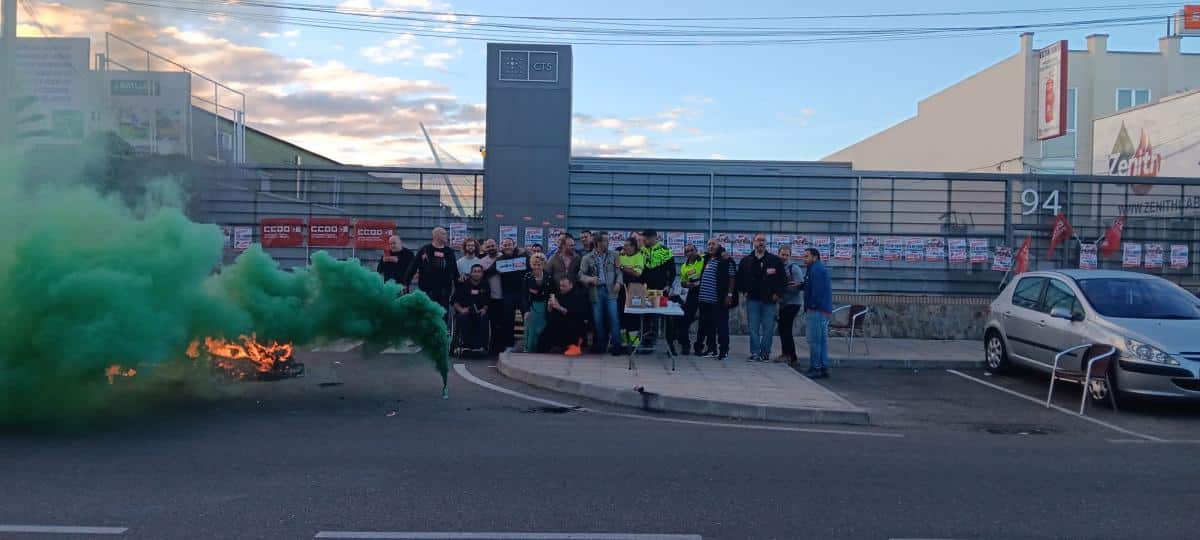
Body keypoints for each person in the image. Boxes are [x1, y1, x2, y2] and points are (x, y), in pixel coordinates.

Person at [736, 233, 787, 362]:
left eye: (763, 240)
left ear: (766, 243)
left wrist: (778, 294)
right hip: (752, 300)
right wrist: (743, 291)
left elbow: (783, 280)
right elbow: (739, 278)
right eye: (758, 240)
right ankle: (754, 353)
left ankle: (765, 353)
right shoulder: (746, 260)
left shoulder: (774, 260)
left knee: (768, 329)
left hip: (769, 301)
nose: (761, 242)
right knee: (753, 329)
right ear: (753, 242)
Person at [580, 232, 624, 355]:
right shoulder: (587, 258)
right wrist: (589, 279)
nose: (608, 242)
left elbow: (619, 272)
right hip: (596, 291)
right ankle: (601, 345)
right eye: (605, 240)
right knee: (598, 320)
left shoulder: (614, 255)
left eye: (608, 240)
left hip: (611, 291)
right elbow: (580, 275)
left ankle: (616, 346)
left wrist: (618, 283)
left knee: (614, 318)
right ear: (598, 242)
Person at [404, 227, 459, 318]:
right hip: (427, 290)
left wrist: (457, 291)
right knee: (427, 316)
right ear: (436, 236)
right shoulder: (425, 250)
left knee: (442, 316)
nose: (447, 236)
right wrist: (406, 283)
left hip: (444, 292)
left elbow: (455, 271)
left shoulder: (449, 252)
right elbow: (412, 267)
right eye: (444, 234)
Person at [486, 238, 528, 354]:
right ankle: (509, 345)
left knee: (527, 318)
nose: (508, 247)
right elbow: (488, 272)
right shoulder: (500, 260)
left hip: (522, 293)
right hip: (508, 294)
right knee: (508, 320)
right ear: (502, 247)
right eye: (505, 245)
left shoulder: (523, 256)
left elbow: (532, 269)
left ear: (514, 245)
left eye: (509, 244)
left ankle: (529, 344)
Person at [697, 239, 736, 360]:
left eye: (713, 244)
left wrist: (729, 295)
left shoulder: (725, 259)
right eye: (709, 244)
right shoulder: (706, 259)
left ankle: (724, 350)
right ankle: (711, 349)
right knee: (709, 326)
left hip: (718, 300)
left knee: (722, 326)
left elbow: (732, 278)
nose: (710, 246)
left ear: (719, 246)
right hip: (704, 299)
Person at [639, 230, 677, 350]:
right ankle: (645, 340)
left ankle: (662, 342)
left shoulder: (665, 251)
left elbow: (673, 271)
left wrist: (669, 285)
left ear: (654, 238)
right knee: (644, 315)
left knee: (660, 316)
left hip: (660, 289)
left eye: (646, 239)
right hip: (644, 289)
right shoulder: (641, 251)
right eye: (643, 239)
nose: (644, 241)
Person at [801, 248, 834, 379]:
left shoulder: (816, 270)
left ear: (815, 257)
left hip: (816, 310)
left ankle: (816, 367)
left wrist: (811, 306)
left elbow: (817, 291)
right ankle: (823, 366)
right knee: (821, 340)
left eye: (806, 256)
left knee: (814, 340)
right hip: (821, 310)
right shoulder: (816, 269)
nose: (804, 258)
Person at [539, 277, 590, 355]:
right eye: (560, 286)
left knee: (573, 324)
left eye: (564, 286)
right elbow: (550, 317)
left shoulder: (578, 296)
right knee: (545, 335)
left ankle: (574, 347)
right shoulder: (558, 295)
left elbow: (576, 315)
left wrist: (559, 307)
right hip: (560, 324)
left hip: (574, 326)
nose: (561, 288)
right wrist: (549, 307)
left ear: (571, 285)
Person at [775, 246, 806, 364]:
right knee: (782, 329)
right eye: (782, 254)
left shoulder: (794, 268)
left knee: (786, 329)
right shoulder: (778, 267)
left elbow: (798, 287)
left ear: (790, 256)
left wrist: (784, 288)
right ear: (778, 254)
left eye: (787, 255)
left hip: (793, 303)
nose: (784, 257)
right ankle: (786, 354)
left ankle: (792, 357)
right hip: (783, 304)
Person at [674, 243, 705, 355]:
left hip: (705, 291)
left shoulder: (703, 259)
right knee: (685, 319)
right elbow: (682, 282)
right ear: (685, 254)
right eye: (687, 251)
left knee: (704, 321)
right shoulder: (684, 267)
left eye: (692, 250)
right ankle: (685, 345)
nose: (690, 253)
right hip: (693, 292)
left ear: (696, 250)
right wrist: (688, 285)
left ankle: (699, 347)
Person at [451, 264, 490, 352]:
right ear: (470, 273)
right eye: (474, 271)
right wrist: (461, 310)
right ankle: (466, 345)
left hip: (479, 311)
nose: (476, 274)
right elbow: (454, 301)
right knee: (463, 318)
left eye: (479, 272)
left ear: (482, 274)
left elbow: (487, 300)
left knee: (484, 318)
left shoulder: (485, 284)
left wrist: (484, 309)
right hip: (465, 310)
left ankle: (481, 346)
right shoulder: (463, 284)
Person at [617, 236, 645, 351]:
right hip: (622, 290)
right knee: (622, 316)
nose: (625, 247)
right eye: (624, 245)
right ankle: (623, 342)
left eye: (627, 245)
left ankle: (634, 343)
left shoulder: (639, 257)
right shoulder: (621, 256)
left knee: (634, 317)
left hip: (636, 289)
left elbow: (637, 273)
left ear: (633, 247)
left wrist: (623, 267)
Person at [523, 253, 554, 353]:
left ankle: (541, 349)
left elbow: (552, 292)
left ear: (544, 264)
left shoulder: (548, 276)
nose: (536, 266)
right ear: (531, 264)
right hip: (531, 306)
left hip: (545, 305)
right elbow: (524, 295)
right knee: (531, 330)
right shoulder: (527, 276)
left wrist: (551, 303)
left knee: (541, 329)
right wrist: (526, 310)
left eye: (539, 264)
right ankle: (529, 350)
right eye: (534, 264)